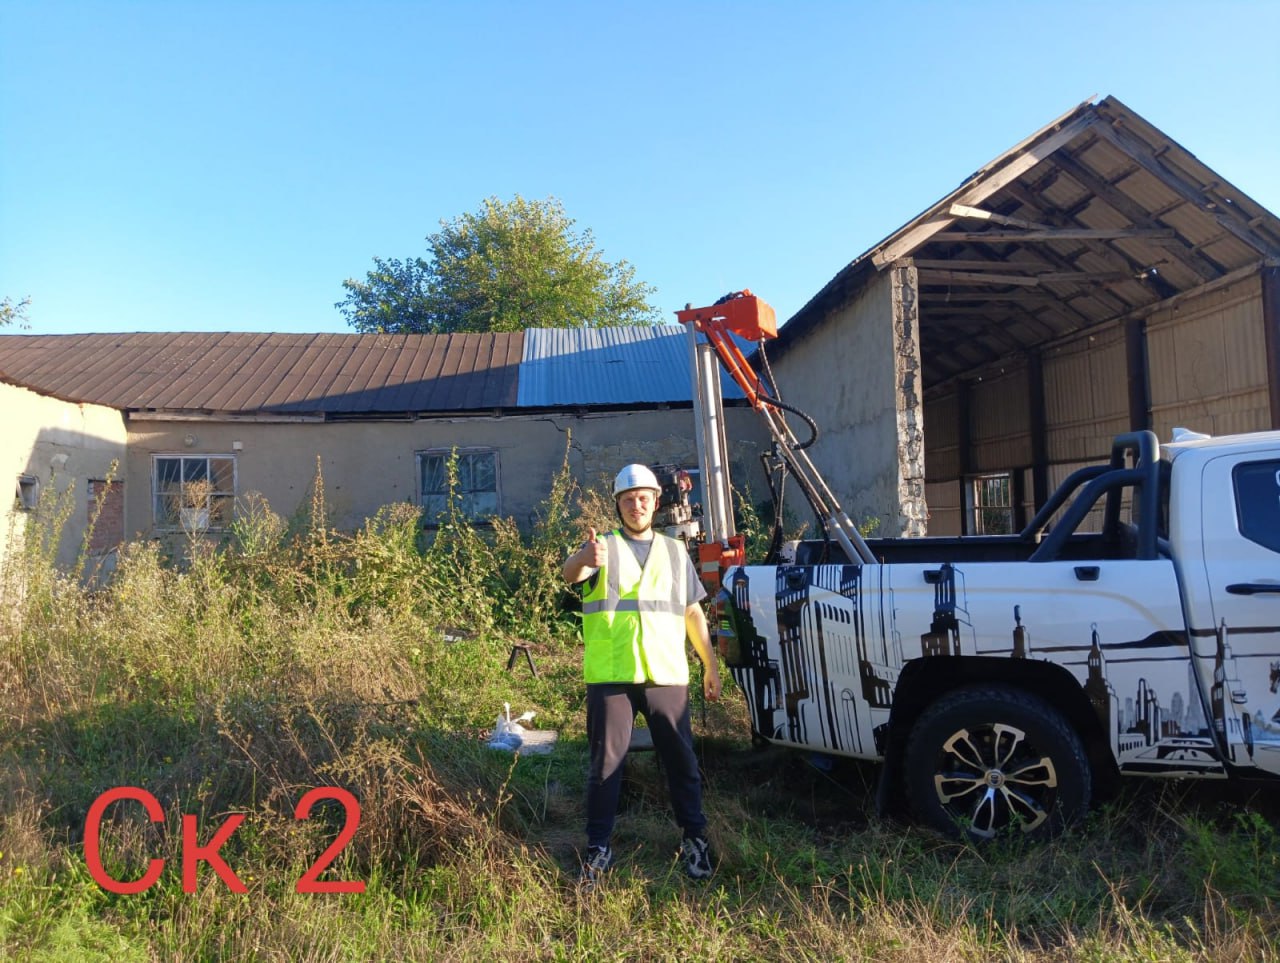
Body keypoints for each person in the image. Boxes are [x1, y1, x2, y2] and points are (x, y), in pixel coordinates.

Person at [562, 463, 722, 886]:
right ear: (618, 505)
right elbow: (571, 574)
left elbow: (692, 612)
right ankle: (598, 848)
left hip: (665, 673)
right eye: (629, 499)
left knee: (682, 761)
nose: (637, 505)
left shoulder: (674, 552)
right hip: (612, 675)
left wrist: (710, 665)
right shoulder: (601, 548)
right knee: (605, 766)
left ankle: (694, 839)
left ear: (656, 502)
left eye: (644, 498)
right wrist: (581, 559)